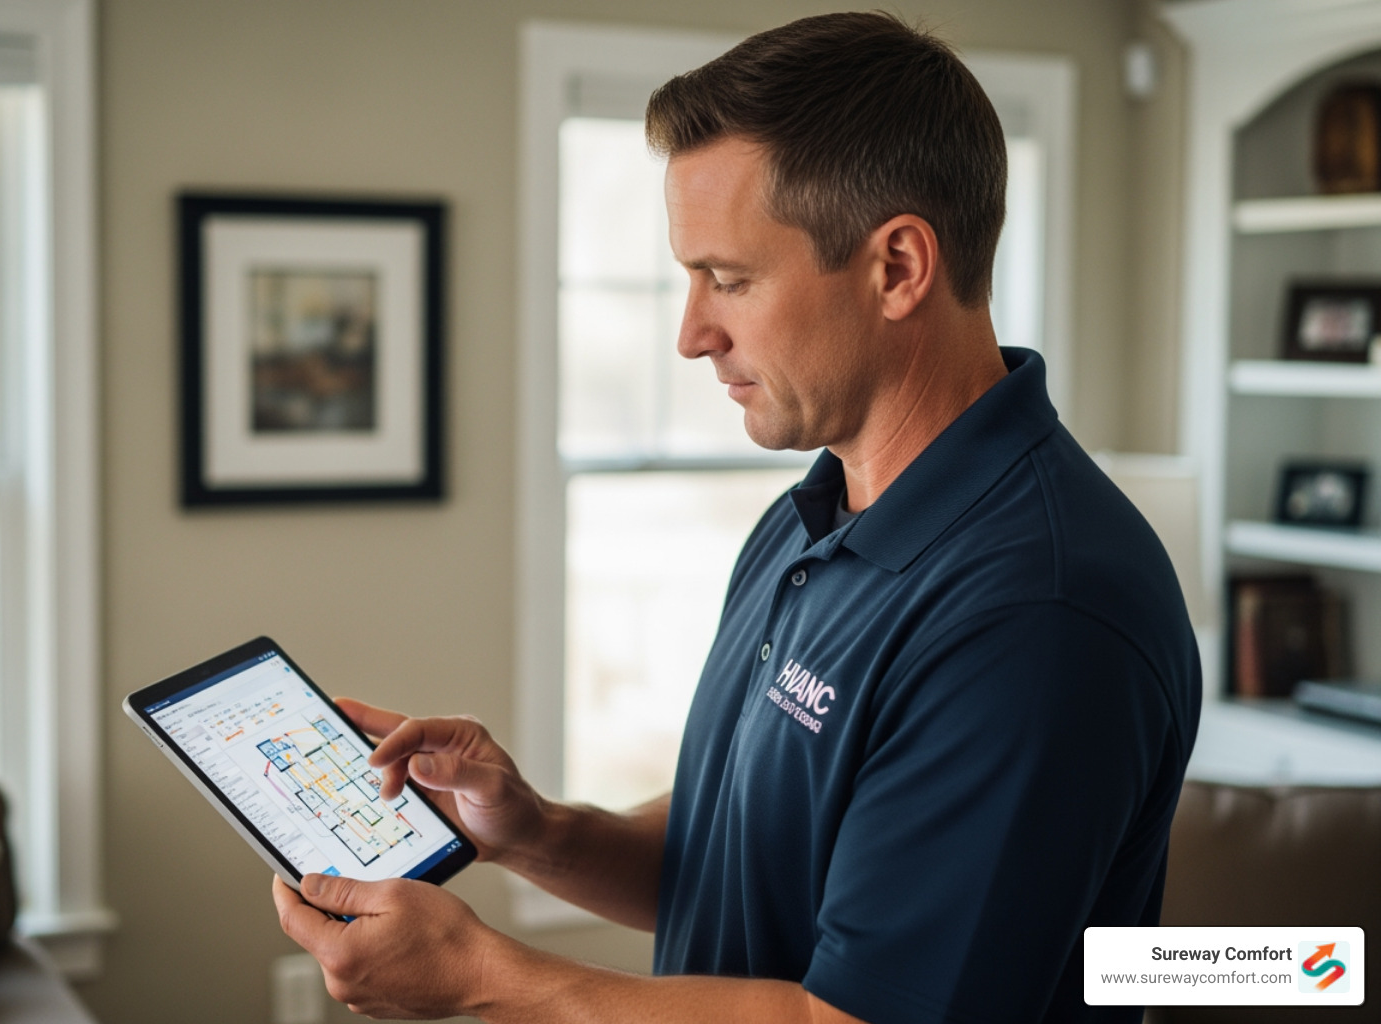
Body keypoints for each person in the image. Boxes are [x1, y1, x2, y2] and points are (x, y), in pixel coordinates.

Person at [273, 12, 1201, 1023]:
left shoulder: (1037, 613)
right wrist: (535, 831)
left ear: (898, 267)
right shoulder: (806, 521)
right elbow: (741, 865)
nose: (691, 334)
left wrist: (481, 977)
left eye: (728, 279)